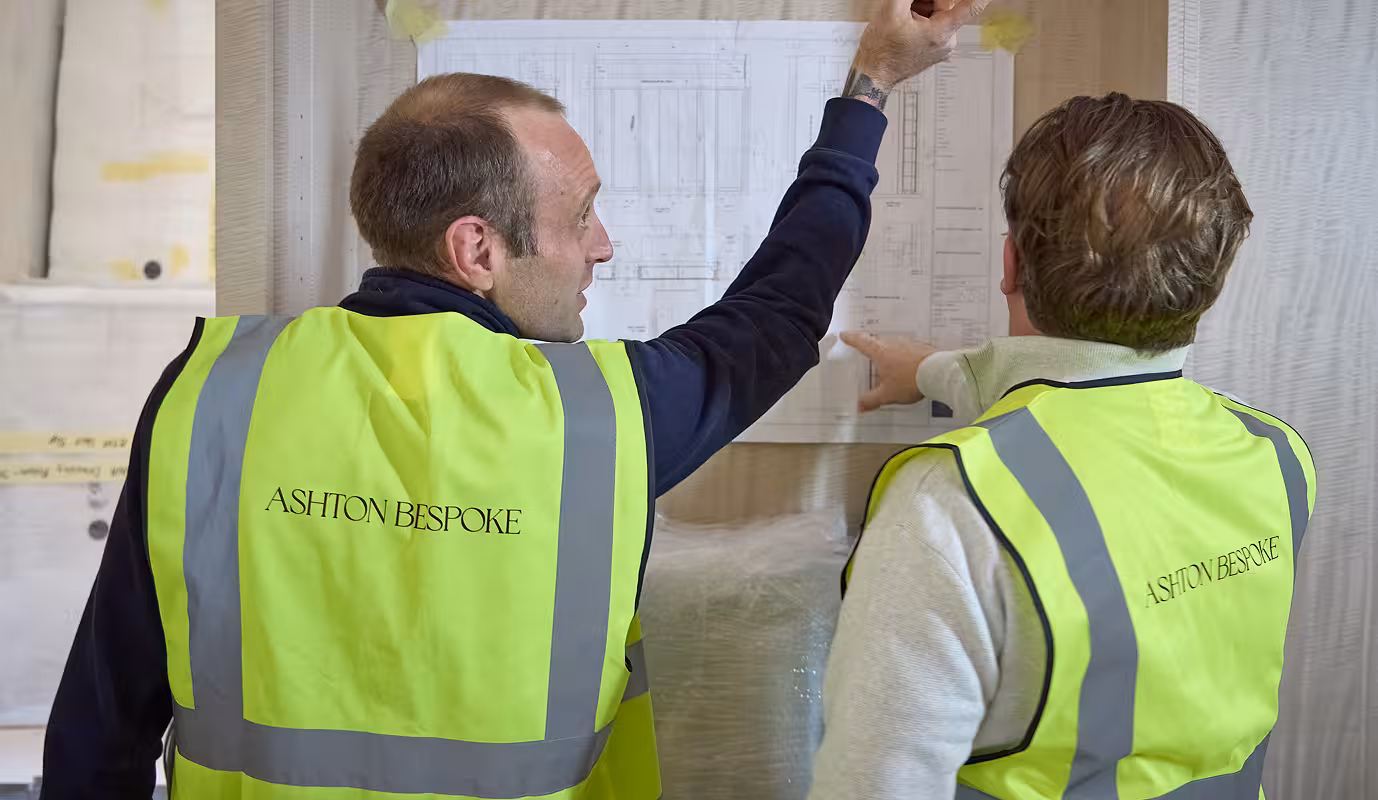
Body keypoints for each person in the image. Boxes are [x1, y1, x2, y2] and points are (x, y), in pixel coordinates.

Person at [39, 1, 989, 797]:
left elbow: (102, 719)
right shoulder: (599, 417)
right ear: (476, 251)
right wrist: (870, 87)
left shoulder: (216, 392)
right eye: (580, 217)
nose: (603, 245)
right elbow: (781, 311)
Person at [811, 94, 1315, 799]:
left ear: (1010, 263)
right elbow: (1094, 399)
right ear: (1213, 279)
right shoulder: (1277, 457)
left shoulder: (953, 507)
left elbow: (874, 786)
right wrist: (928, 371)